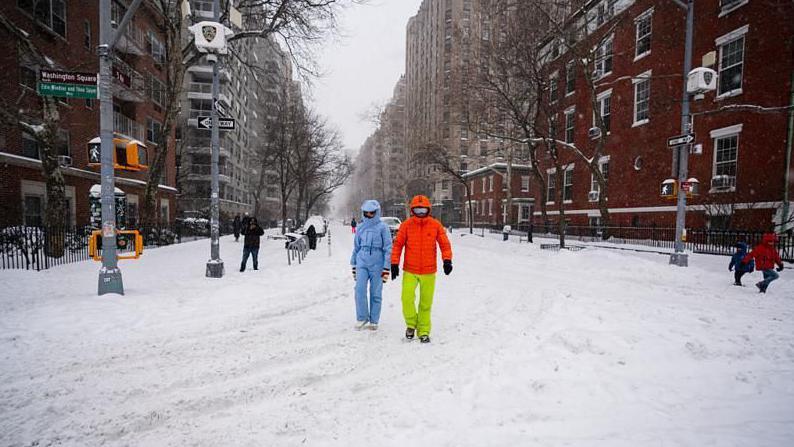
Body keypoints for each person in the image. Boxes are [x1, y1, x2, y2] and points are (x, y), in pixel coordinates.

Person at [390, 195, 453, 343]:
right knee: (406, 299)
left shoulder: (435, 225)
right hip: (410, 270)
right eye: (417, 209)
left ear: (428, 209)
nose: (420, 212)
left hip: (429, 271)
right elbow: (398, 245)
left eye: (422, 209)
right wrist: (394, 264)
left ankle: (424, 330)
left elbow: (444, 244)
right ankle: (411, 324)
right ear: (412, 210)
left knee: (426, 302)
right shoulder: (406, 225)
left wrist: (447, 260)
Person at [350, 200, 392, 330]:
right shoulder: (360, 227)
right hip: (362, 261)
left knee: (375, 292)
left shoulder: (383, 227)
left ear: (377, 212)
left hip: (378, 263)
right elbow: (356, 247)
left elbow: (388, 248)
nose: (369, 214)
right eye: (366, 212)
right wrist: (354, 265)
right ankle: (362, 317)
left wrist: (386, 268)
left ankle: (374, 320)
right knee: (359, 290)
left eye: (371, 212)